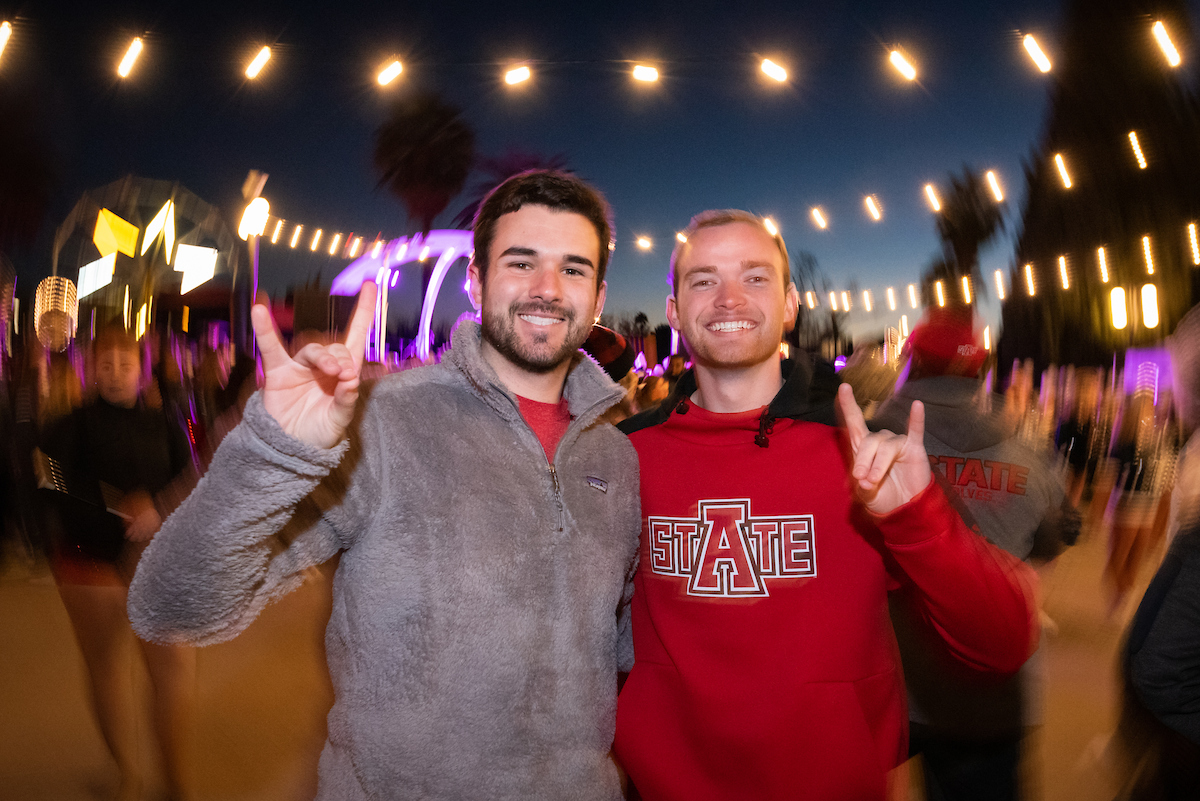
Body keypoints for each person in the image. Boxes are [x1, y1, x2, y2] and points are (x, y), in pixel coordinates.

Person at [128, 171, 641, 800]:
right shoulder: (383, 423)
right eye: (521, 262)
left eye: (572, 269)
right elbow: (172, 606)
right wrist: (274, 453)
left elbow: (620, 652)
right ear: (476, 283)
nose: (546, 289)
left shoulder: (618, 458)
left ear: (597, 295)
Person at [613, 210, 1039, 801]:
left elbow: (1003, 642)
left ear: (790, 305)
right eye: (704, 279)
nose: (730, 298)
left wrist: (915, 517)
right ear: (674, 310)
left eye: (755, 278)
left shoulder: (859, 453)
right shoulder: (623, 457)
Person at [873, 307, 1077, 801]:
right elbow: (1061, 532)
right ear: (980, 370)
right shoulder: (1028, 448)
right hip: (991, 694)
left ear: (912, 364)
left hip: (892, 682)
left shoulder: (869, 440)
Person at [41, 326, 197, 801]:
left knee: (173, 676)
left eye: (124, 364)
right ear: (90, 369)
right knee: (106, 669)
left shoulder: (166, 418)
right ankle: (125, 773)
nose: (114, 374)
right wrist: (115, 507)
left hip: (158, 564)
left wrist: (158, 506)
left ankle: (177, 784)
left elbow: (191, 479)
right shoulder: (71, 424)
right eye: (104, 364)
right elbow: (51, 481)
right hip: (90, 563)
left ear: (141, 369)